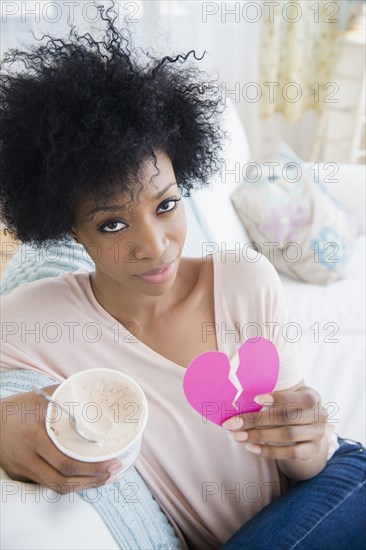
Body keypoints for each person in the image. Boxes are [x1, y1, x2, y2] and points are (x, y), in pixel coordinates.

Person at [0, 2, 365, 549]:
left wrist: (309, 443)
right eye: (113, 223)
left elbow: (305, 467)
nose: (153, 245)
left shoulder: (243, 282)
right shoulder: (35, 317)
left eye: (166, 205)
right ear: (69, 231)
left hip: (335, 487)